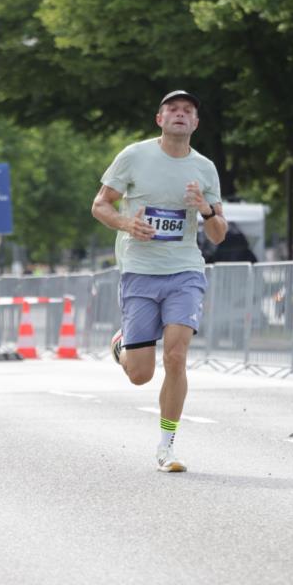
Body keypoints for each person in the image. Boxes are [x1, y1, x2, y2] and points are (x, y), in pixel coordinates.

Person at [91, 90, 227, 472]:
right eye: (173, 110)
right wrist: (124, 222)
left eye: (188, 111)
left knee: (176, 355)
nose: (180, 115)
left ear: (196, 123)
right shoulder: (134, 156)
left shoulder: (205, 168)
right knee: (140, 374)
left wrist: (206, 210)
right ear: (160, 119)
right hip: (139, 270)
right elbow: (100, 205)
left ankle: (167, 446)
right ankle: (122, 344)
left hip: (185, 270)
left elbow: (218, 233)